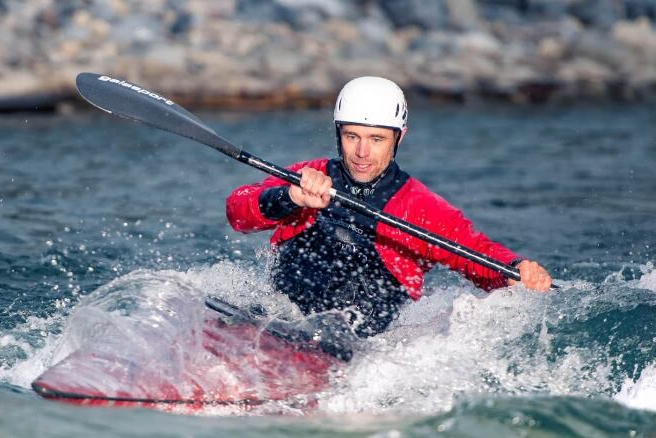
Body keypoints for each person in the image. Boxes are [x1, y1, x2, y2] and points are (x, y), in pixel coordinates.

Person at [226, 76, 552, 337]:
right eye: (352, 136)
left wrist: (517, 269)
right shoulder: (306, 176)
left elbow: (476, 253)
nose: (362, 152)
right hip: (283, 320)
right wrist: (290, 198)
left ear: (399, 138)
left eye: (377, 139)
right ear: (338, 134)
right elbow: (238, 212)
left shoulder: (420, 207)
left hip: (364, 343)